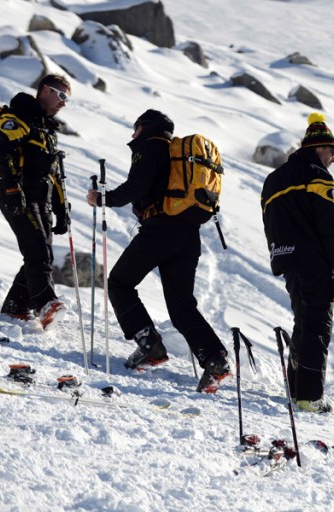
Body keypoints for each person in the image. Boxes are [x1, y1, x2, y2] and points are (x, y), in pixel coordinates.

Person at [86, 109, 230, 393]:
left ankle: (150, 346)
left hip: (161, 229)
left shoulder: (149, 146)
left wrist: (105, 198)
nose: (132, 134)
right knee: (181, 306)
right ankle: (215, 360)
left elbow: (137, 185)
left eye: (135, 127)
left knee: (119, 283)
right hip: (188, 234)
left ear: (144, 126)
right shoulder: (177, 155)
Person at [261, 112, 334, 415]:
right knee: (317, 326)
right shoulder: (318, 176)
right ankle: (309, 397)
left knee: (303, 321)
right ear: (320, 148)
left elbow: (269, 222)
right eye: (333, 151)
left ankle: (296, 390)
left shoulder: (274, 178)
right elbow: (330, 226)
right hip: (315, 262)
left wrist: (281, 253)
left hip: (288, 260)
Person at [0, 74, 71, 329]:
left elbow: (53, 174)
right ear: (45, 91)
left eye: (67, 98)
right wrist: (12, 187)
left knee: (42, 253)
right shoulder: (19, 116)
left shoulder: (47, 130)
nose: (63, 102)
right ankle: (44, 304)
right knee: (37, 250)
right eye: (61, 95)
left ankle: (16, 306)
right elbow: (3, 150)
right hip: (18, 195)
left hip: (41, 200)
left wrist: (62, 210)